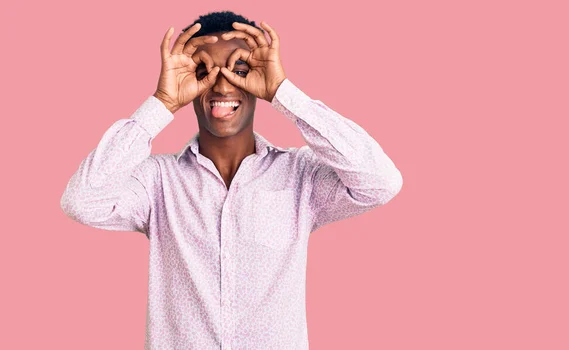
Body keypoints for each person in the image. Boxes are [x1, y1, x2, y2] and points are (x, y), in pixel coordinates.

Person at [60, 10, 403, 350]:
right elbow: (82, 202)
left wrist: (283, 92)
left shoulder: (300, 176)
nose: (222, 85)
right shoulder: (158, 182)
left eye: (240, 71)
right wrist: (161, 104)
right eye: (203, 71)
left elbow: (380, 181)